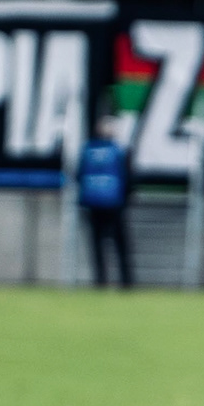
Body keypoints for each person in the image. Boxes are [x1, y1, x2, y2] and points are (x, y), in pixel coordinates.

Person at [77, 112, 133, 288]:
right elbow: (126, 176)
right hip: (114, 204)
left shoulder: (88, 149)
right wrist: (126, 198)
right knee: (120, 244)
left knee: (97, 244)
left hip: (93, 203)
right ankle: (126, 282)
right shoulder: (117, 150)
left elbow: (79, 174)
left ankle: (100, 280)